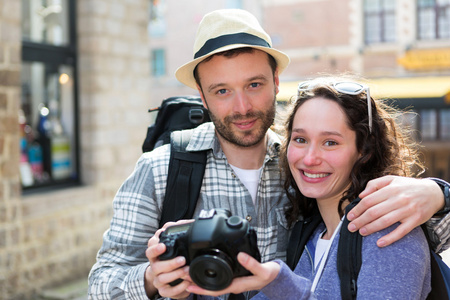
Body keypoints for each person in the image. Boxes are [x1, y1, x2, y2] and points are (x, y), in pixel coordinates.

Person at [88, 9, 450, 300]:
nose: (241, 106)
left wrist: (437, 194)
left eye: (254, 85)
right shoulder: (160, 170)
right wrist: (152, 279)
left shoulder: (302, 168)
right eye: (222, 91)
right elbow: (102, 285)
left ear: (276, 81)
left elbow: (405, 242)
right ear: (202, 96)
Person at [187, 77, 432, 299]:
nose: (309, 158)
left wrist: (280, 282)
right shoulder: (309, 234)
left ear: (364, 151)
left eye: (330, 142)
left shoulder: (387, 233)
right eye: (301, 140)